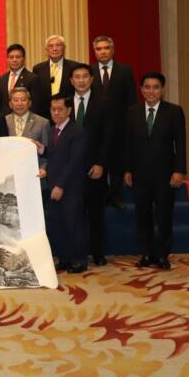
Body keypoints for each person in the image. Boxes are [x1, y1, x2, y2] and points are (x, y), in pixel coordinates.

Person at [124, 72, 187, 270]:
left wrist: (179, 170)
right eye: (147, 87)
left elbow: (181, 143)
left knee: (164, 216)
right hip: (139, 174)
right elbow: (127, 144)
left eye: (156, 87)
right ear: (141, 90)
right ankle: (147, 253)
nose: (151, 91)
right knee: (142, 216)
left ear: (162, 90)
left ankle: (162, 255)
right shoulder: (132, 112)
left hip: (165, 174)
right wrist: (127, 169)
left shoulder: (174, 111)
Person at [70, 65, 113, 266]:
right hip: (70, 169)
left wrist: (101, 163)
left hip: (94, 167)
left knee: (96, 213)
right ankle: (75, 253)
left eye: (85, 77)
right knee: (73, 214)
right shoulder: (63, 103)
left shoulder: (104, 103)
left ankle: (98, 253)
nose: (81, 80)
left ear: (92, 79)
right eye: (77, 77)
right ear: (71, 81)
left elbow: (109, 137)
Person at [90, 35, 138, 209]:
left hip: (120, 125)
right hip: (97, 127)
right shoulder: (89, 71)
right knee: (99, 161)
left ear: (112, 50)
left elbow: (132, 100)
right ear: (94, 52)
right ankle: (102, 195)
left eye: (106, 48)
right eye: (99, 49)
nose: (102, 52)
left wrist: (132, 122)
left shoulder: (125, 71)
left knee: (117, 162)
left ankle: (115, 195)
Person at [44, 94, 89, 273]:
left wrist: (60, 185)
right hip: (53, 185)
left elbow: (74, 162)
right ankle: (64, 258)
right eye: (53, 109)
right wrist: (42, 149)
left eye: (60, 109)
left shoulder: (77, 131)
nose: (56, 113)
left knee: (73, 225)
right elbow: (55, 156)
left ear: (69, 110)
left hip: (70, 187)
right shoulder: (53, 130)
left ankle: (79, 260)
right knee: (57, 225)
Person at [4, 87, 49, 175]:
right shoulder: (3, 121)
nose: (19, 103)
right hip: (9, 172)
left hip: (33, 173)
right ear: (10, 104)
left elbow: (47, 150)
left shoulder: (43, 122)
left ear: (29, 103)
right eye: (16, 100)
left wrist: (43, 168)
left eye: (23, 100)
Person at [32, 35, 82, 109]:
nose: (54, 49)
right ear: (46, 50)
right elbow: (36, 94)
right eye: (51, 46)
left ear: (64, 48)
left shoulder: (74, 67)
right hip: (44, 111)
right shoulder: (38, 69)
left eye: (58, 45)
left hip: (68, 110)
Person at [0, 43, 41, 116]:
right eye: (11, 57)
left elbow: (35, 105)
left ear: (24, 59)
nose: (14, 60)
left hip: (25, 119)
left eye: (18, 57)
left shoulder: (33, 78)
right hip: (5, 119)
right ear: (7, 59)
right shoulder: (1, 80)